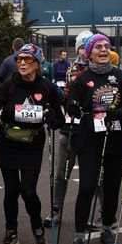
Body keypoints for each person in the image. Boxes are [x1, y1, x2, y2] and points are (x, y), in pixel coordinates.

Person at [0, 43, 64, 244]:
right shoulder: (10, 85)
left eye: (27, 59)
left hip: (32, 143)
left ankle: (37, 228)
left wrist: (52, 118)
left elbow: (59, 120)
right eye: (19, 59)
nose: (22, 63)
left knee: (29, 191)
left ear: (37, 63)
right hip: (8, 141)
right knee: (11, 190)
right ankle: (11, 233)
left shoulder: (47, 87)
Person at [68, 33, 122, 244]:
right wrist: (74, 107)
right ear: (89, 52)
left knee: (111, 189)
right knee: (87, 187)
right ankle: (78, 237)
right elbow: (72, 104)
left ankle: (106, 230)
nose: (103, 50)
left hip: (115, 137)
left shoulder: (121, 76)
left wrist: (113, 113)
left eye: (106, 46)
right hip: (90, 139)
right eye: (98, 47)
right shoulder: (82, 78)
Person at [46, 30, 91, 227]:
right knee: (61, 173)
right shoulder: (71, 70)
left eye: (89, 46)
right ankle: (56, 211)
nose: (85, 51)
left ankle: (104, 216)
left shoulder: (108, 72)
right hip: (70, 129)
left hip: (93, 133)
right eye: (82, 47)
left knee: (95, 177)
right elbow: (65, 97)